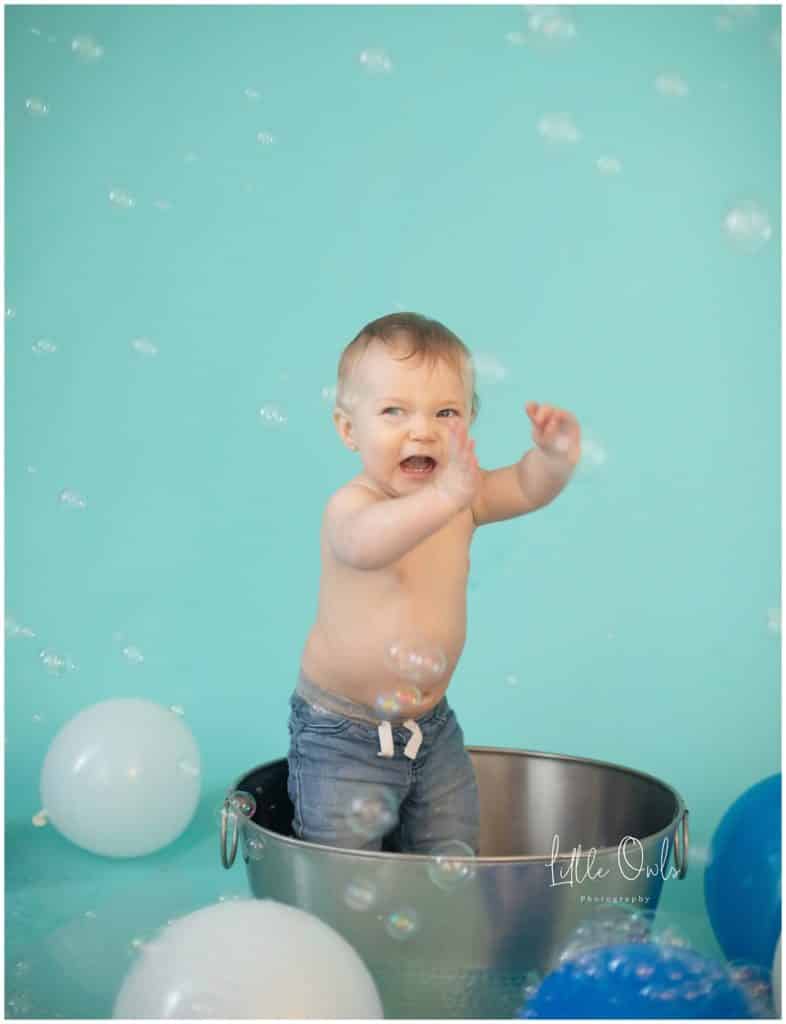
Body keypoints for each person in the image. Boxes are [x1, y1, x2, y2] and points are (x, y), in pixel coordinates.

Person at [287, 312, 581, 853]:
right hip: (343, 734)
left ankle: (440, 927)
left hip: (432, 728)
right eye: (394, 411)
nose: (421, 429)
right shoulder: (354, 507)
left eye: (444, 412)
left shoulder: (463, 496)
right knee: (342, 862)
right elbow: (366, 544)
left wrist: (553, 459)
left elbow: (524, 486)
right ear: (349, 429)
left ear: (468, 420)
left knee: (450, 848)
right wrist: (444, 498)